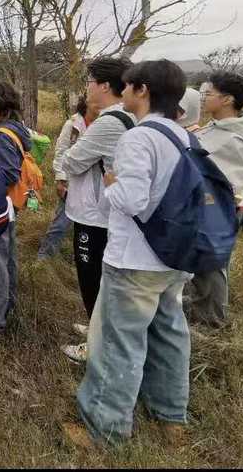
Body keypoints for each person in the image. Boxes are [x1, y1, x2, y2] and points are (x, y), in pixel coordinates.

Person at [64, 59, 193, 449]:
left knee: (117, 343)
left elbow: (132, 198)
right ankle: (171, 417)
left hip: (135, 259)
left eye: (129, 86)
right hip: (172, 257)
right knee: (169, 335)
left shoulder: (139, 137)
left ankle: (104, 430)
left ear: (143, 91)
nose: (125, 91)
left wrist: (111, 183)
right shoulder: (182, 135)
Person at [58, 57, 135, 363]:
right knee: (105, 278)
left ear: (104, 86)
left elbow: (72, 161)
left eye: (89, 82)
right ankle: (97, 326)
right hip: (112, 211)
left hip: (96, 215)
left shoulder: (108, 122)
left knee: (92, 278)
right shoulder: (129, 118)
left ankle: (96, 345)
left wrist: (72, 153)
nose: (86, 88)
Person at [189, 71, 243, 327]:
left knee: (212, 268)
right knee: (203, 266)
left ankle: (213, 323)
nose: (203, 98)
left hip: (220, 211)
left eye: (208, 94)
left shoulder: (233, 138)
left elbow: (226, 184)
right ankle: (200, 313)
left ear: (227, 100)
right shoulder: (217, 127)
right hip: (211, 209)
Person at [0, 81, 31, 332]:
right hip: (9, 206)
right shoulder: (16, 128)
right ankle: (7, 306)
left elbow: (8, 174)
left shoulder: (1, 134)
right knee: (7, 258)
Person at [38, 96, 98, 260]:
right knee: (61, 223)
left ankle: (79, 254)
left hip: (91, 186)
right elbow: (60, 152)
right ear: (86, 105)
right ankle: (44, 257)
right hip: (71, 183)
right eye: (95, 102)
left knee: (85, 226)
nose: (99, 104)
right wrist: (60, 180)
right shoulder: (72, 125)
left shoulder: (102, 125)